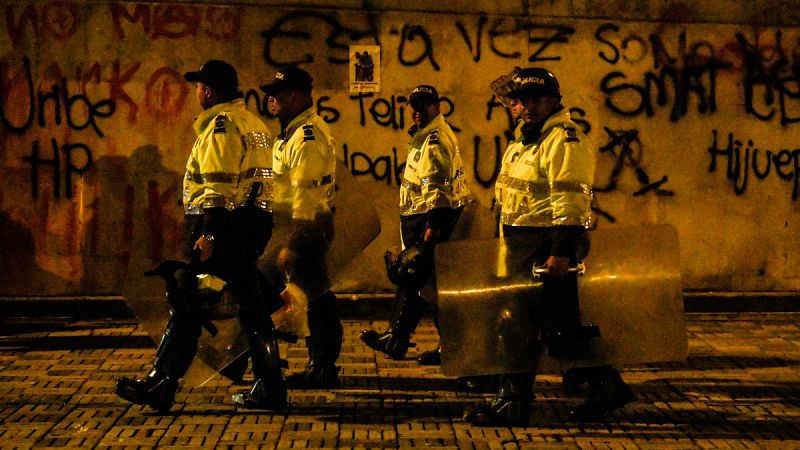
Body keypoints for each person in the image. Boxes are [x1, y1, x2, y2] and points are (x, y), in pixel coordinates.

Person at [464, 68, 633, 426]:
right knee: (558, 329)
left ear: (554, 100)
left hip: (545, 246)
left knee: (519, 326)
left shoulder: (563, 139)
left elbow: (569, 202)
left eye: (534, 99)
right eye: (520, 99)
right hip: (520, 243)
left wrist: (559, 252)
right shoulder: (526, 139)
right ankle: (606, 386)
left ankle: (513, 403)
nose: (525, 106)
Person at [115, 59, 287, 412]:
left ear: (207, 90)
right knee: (252, 310)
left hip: (221, 228)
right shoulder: (253, 124)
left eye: (199, 87)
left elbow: (217, 186)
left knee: (187, 301)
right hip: (248, 226)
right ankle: (270, 387)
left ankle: (162, 382)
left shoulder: (220, 128)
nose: (196, 93)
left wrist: (208, 235)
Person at [360, 85, 470, 363]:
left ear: (438, 106)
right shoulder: (425, 138)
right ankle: (397, 338)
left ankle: (450, 349)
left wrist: (433, 228)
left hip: (427, 222)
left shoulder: (433, 141)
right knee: (417, 283)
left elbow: (437, 187)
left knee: (430, 286)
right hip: (421, 220)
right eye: (413, 105)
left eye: (423, 105)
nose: (417, 111)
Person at [260, 67, 341, 388]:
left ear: (296, 96)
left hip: (307, 227)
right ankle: (320, 364)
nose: (271, 100)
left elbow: (307, 196)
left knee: (316, 295)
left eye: (277, 95)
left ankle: (322, 365)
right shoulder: (291, 134)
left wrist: (293, 242)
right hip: (296, 226)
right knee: (314, 293)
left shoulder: (307, 136)